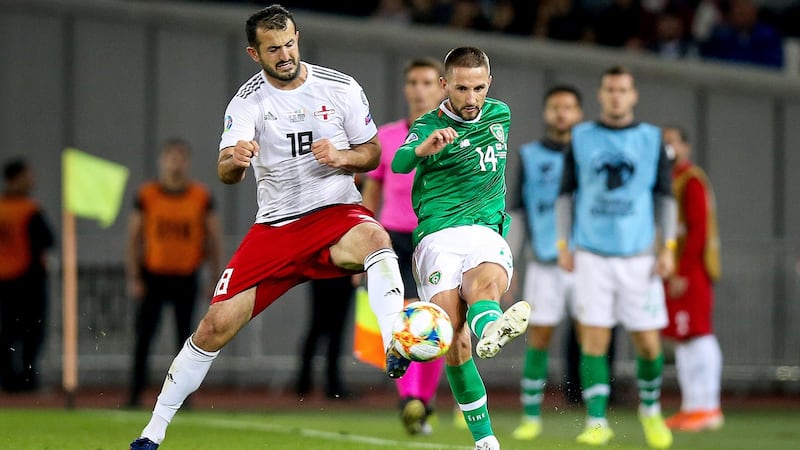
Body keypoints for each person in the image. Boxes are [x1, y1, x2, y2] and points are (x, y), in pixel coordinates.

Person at [129, 5, 407, 449]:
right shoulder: (248, 102)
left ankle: (397, 336)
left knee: (376, 237)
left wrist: (343, 158)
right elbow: (225, 169)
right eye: (273, 48)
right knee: (212, 328)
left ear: (299, 39)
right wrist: (235, 162)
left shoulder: (341, 88)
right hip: (276, 229)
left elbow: (372, 152)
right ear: (253, 53)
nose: (285, 54)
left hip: (334, 214)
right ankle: (152, 432)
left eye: (290, 43)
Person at [392, 46, 531, 450]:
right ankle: (484, 437)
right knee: (453, 342)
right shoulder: (428, 123)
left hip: (485, 230)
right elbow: (399, 162)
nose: (471, 99)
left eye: (479, 88)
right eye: (461, 88)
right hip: (437, 236)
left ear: (489, 84)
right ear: (443, 85)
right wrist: (423, 148)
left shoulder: (499, 113)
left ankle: (492, 328)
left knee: (483, 290)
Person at [556, 65, 676, 449]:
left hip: (639, 256)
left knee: (648, 344)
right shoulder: (582, 136)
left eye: (623, 90)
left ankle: (651, 410)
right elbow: (565, 195)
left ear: (633, 94)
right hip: (591, 253)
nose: (616, 96)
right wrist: (564, 245)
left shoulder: (652, 139)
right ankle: (596, 422)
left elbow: (664, 198)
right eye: (610, 89)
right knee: (593, 338)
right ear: (601, 94)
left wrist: (668, 247)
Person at [361, 57, 446, 435]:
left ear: (441, 87)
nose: (419, 89)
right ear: (405, 87)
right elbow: (373, 190)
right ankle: (409, 400)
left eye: (427, 82)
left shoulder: (453, 134)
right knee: (402, 320)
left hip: (437, 237)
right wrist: (363, 240)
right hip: (394, 237)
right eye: (413, 82)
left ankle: (420, 403)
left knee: (440, 323)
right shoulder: (388, 135)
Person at [508, 85, 584, 440]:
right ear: (545, 112)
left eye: (568, 107)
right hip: (544, 262)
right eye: (555, 106)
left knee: (593, 336)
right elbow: (518, 213)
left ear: (579, 113)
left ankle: (595, 417)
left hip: (588, 262)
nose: (561, 113)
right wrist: (510, 264)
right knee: (538, 336)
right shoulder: (530, 155)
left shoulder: (591, 152)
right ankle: (531, 415)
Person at [125, 138, 223, 408]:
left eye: (180, 157)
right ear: (162, 160)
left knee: (188, 342)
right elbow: (134, 237)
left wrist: (214, 277)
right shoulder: (147, 195)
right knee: (144, 338)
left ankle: (183, 398)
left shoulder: (200, 196)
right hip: (153, 275)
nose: (175, 162)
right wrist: (134, 276)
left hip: (186, 276)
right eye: (171, 157)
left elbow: (213, 238)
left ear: (187, 162)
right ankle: (134, 394)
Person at [660, 126, 724, 432]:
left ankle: (709, 407)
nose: (667, 148)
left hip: (691, 270)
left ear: (685, 146)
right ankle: (691, 406)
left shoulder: (691, 179)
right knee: (683, 339)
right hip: (676, 269)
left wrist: (683, 272)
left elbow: (697, 230)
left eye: (672, 142)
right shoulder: (669, 181)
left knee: (699, 334)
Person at [0, 159, 54, 392]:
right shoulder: (29, 210)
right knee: (33, 333)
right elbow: (48, 240)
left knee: (6, 333)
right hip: (28, 281)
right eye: (27, 175)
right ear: (16, 178)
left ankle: (8, 380)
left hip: (4, 281)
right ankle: (27, 381)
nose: (32, 180)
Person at [295, 275, 355, 399]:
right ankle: (331, 384)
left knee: (319, 327)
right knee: (331, 329)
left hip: (323, 271)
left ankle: (305, 382)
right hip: (338, 272)